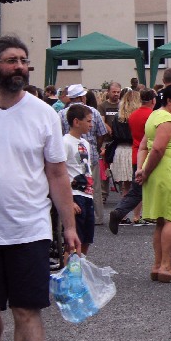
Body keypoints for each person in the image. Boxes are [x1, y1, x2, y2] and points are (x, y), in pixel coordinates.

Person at [0, 36, 81, 341]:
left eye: (24, 60)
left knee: (26, 309)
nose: (21, 67)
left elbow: (57, 174)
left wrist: (69, 227)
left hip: (30, 228)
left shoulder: (43, 114)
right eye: (12, 61)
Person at [134, 83, 171, 283]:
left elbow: (143, 146)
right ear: (170, 101)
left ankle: (158, 265)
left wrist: (141, 169)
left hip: (158, 173)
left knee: (160, 220)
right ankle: (167, 267)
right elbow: (158, 149)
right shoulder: (167, 120)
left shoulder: (155, 116)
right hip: (168, 174)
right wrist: (145, 171)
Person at [59, 84, 109, 225]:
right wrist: (96, 147)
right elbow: (102, 132)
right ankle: (97, 217)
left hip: (70, 156)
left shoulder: (62, 113)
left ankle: (69, 215)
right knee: (94, 188)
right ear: (82, 97)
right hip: (90, 154)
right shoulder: (93, 112)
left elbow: (58, 133)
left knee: (72, 185)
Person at [63, 104, 96, 258]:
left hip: (87, 194)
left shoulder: (85, 143)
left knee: (86, 239)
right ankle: (69, 270)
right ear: (76, 121)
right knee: (73, 242)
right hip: (75, 195)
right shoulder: (65, 142)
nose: (91, 125)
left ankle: (80, 268)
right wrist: (68, 200)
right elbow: (61, 172)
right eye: (88, 121)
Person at [109, 88, 141, 211]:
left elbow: (113, 135)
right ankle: (137, 216)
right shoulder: (137, 117)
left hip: (121, 150)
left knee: (125, 187)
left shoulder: (117, 117)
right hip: (134, 149)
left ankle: (122, 213)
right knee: (138, 186)